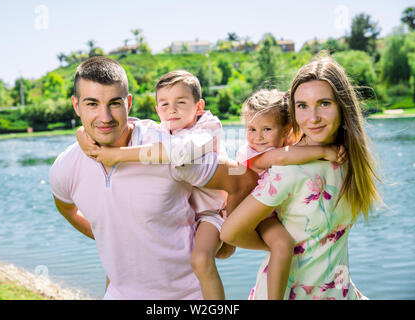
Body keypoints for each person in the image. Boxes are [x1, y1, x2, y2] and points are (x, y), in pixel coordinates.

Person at [49, 56, 258, 300]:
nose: (104, 116)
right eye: (92, 104)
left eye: (114, 103)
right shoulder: (65, 167)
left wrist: (227, 238)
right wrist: (113, 235)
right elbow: (68, 209)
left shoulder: (167, 150)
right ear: (76, 106)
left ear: (128, 103)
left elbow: (243, 180)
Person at [221, 55, 382, 300]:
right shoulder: (287, 170)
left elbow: (328, 244)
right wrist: (282, 247)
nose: (312, 117)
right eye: (302, 106)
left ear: (343, 106)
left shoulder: (349, 161)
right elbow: (230, 233)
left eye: (324, 103)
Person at [235, 88, 345, 300]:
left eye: (266, 129)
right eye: (251, 129)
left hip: (273, 211)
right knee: (282, 245)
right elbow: (284, 157)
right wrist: (324, 151)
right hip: (257, 214)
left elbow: (295, 148)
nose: (257, 137)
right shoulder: (252, 153)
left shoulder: (287, 143)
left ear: (286, 131)